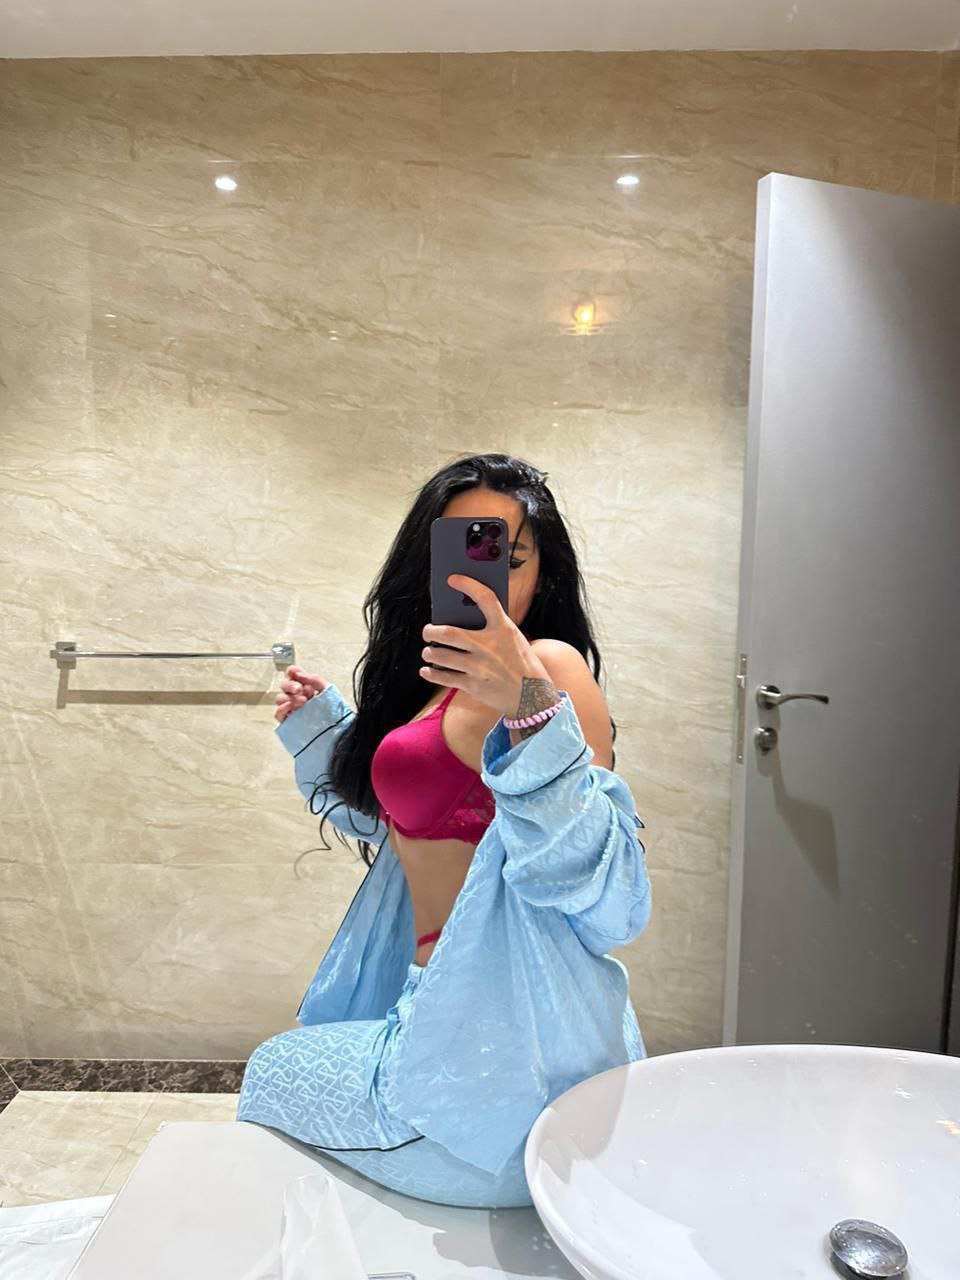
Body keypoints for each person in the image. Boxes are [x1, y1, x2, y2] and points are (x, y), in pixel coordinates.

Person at [236, 453, 652, 1208]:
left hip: (506, 1065)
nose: (479, 576)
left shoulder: (549, 667)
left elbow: (606, 892)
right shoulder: (432, 686)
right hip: (442, 1019)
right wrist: (326, 731)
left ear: (541, 574)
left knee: (269, 1071)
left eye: (506, 557)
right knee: (286, 1072)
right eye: (460, 549)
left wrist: (531, 703)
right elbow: (415, 828)